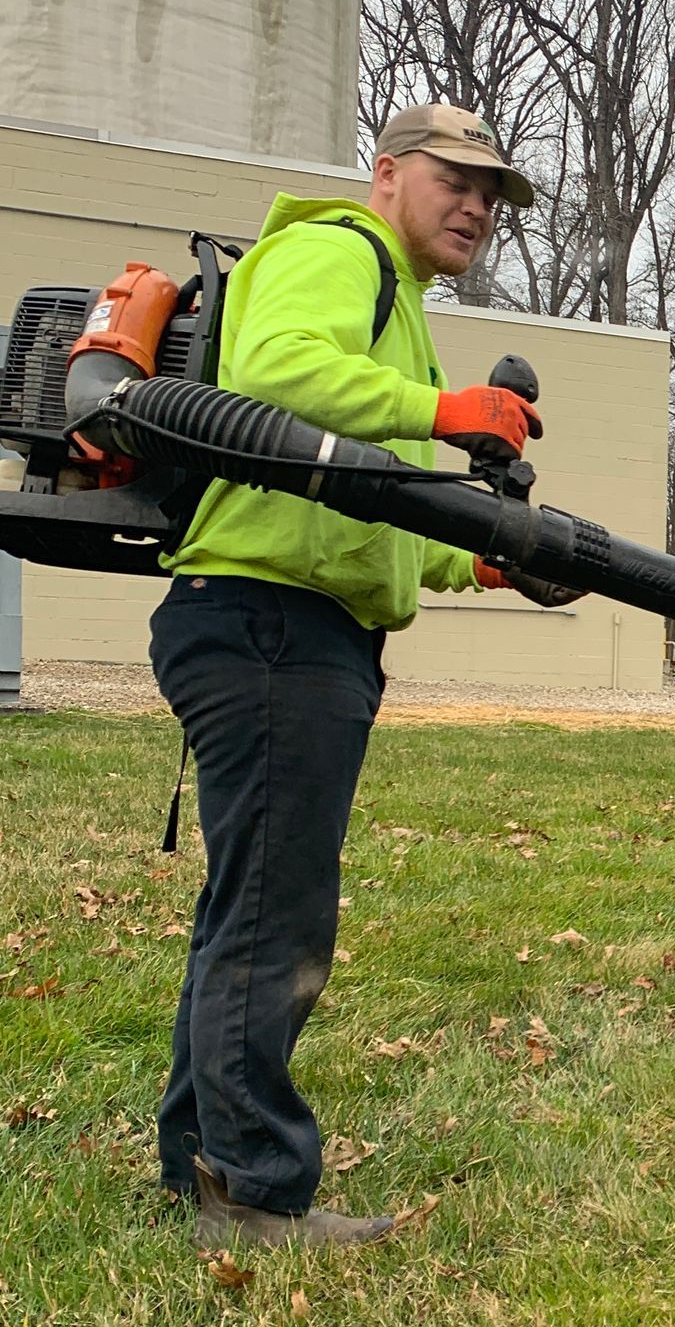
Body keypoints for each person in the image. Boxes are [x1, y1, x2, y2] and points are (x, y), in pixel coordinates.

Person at [152, 103, 572, 1253]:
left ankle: (198, 1167)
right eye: (459, 180)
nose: (480, 206)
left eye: (497, 195)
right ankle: (253, 1192)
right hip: (268, 623)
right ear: (385, 173)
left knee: (247, 906)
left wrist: (475, 560)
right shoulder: (338, 254)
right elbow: (274, 370)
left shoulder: (398, 316)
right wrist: (442, 411)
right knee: (277, 918)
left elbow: (366, 509)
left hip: (284, 620)